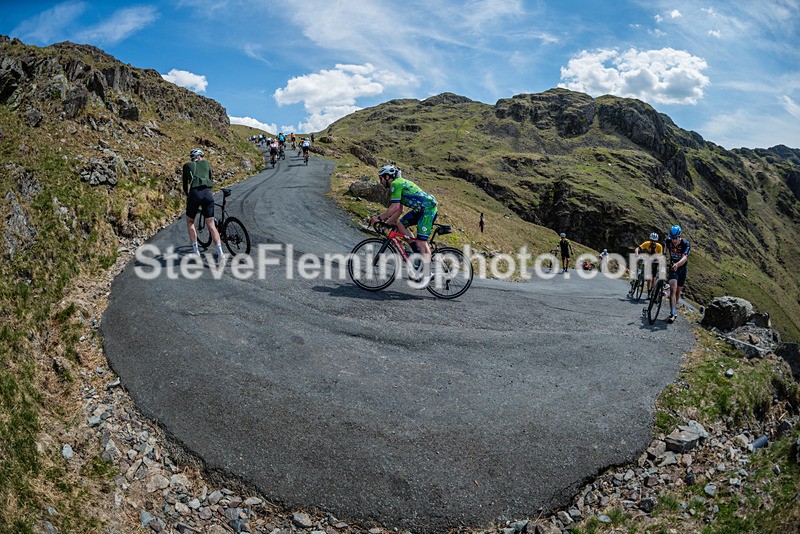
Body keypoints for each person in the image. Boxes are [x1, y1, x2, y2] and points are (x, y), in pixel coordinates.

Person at [369, 164, 438, 287]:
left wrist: (378, 218)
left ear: (387, 176)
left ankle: (428, 273)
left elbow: (394, 207)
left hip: (427, 210)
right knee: (400, 225)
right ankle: (417, 255)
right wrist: (386, 223)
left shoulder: (396, 184)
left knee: (422, 242)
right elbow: (399, 210)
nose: (380, 182)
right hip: (420, 210)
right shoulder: (397, 185)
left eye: (381, 178)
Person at [182, 148, 223, 262]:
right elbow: (210, 178)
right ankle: (220, 253)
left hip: (194, 193)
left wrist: (188, 195)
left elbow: (185, 185)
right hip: (207, 193)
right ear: (200, 157)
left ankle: (196, 252)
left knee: (190, 222)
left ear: (192, 158)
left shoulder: (187, 166)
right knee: (211, 224)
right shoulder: (207, 163)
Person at [665, 225, 690, 323]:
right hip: (673, 268)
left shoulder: (685, 244)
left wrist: (678, 264)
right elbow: (665, 251)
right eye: (672, 238)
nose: (674, 240)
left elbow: (685, 257)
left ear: (680, 236)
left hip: (682, 268)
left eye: (676, 238)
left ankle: (675, 309)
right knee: (672, 290)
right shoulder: (668, 241)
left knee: (678, 292)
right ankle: (672, 313)